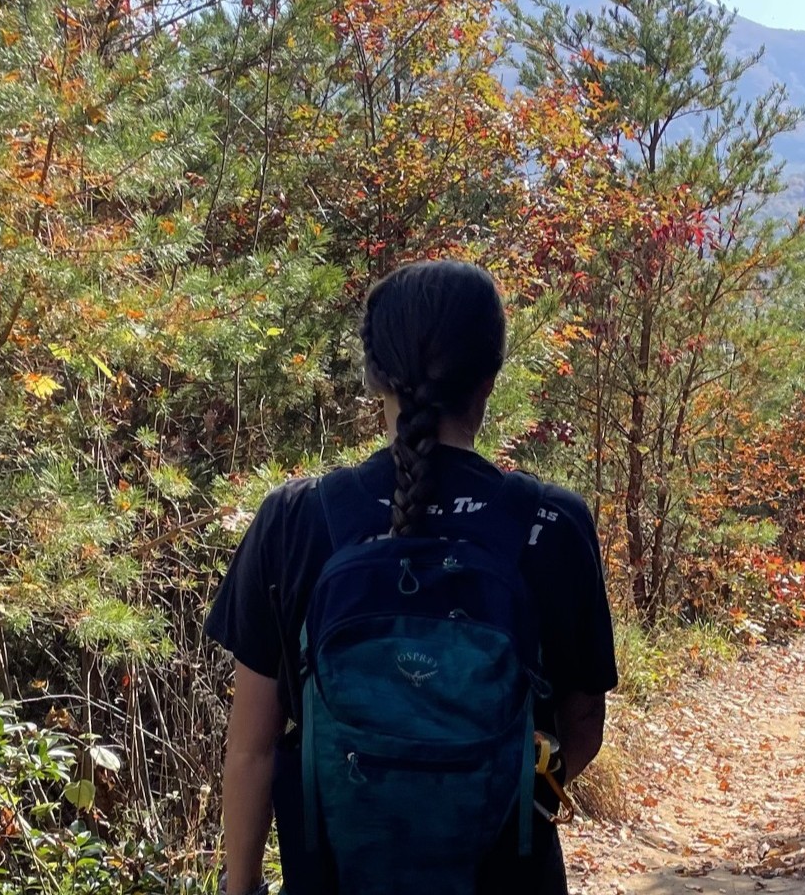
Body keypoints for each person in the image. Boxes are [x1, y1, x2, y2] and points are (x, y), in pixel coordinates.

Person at [205, 260, 618, 895]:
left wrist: (242, 888)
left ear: (374, 377)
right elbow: (582, 723)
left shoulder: (295, 519)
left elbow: (252, 750)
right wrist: (487, 801)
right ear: (491, 373)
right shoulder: (551, 522)